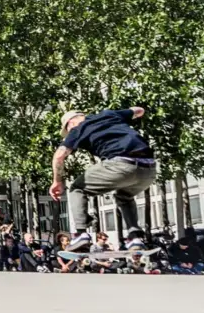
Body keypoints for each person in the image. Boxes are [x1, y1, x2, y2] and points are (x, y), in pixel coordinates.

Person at [49, 107, 157, 251]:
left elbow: (59, 156)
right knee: (124, 196)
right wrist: (132, 116)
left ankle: (81, 234)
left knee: (77, 188)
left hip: (121, 165)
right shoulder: (110, 114)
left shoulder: (77, 129)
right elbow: (139, 110)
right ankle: (135, 238)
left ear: (70, 123)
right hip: (149, 169)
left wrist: (57, 181)